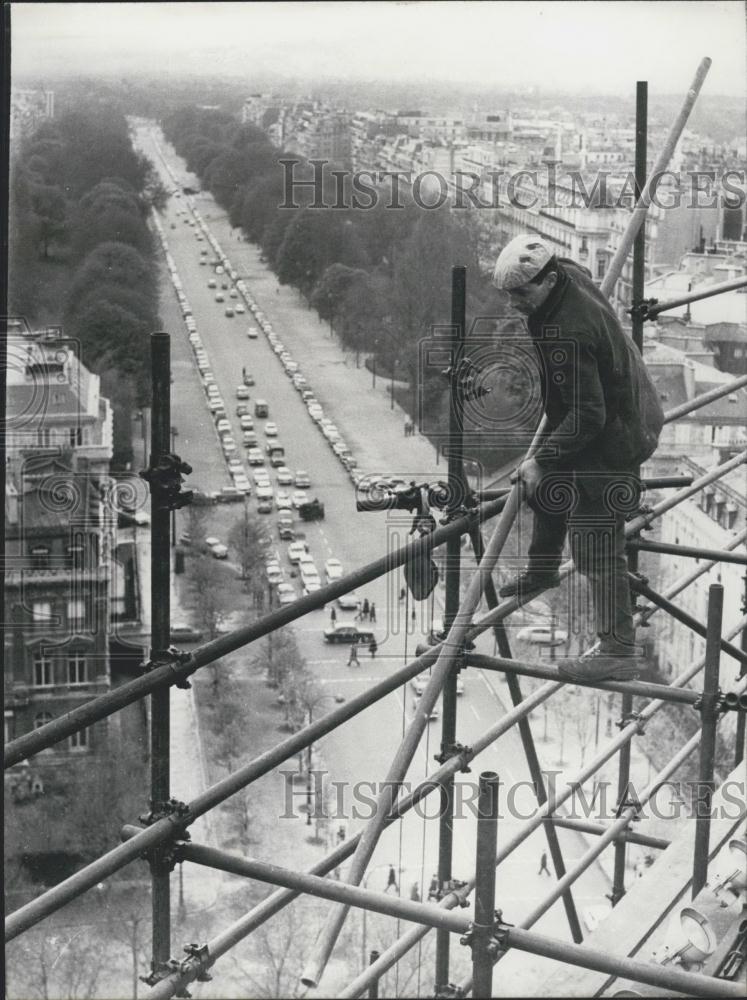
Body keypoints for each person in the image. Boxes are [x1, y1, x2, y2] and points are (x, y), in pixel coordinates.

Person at [492, 235, 664, 683]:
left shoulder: (567, 327)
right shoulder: (567, 272)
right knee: (546, 480)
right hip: (617, 409)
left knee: (596, 548)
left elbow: (589, 415)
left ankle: (617, 651)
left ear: (549, 280)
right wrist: (546, 459)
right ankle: (543, 569)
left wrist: (542, 455)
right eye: (508, 294)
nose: (513, 305)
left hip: (617, 435)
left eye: (521, 294)